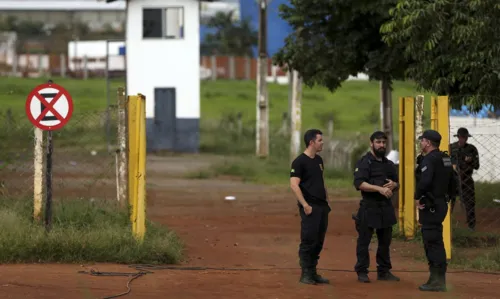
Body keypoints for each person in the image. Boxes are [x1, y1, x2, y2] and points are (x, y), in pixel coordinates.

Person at [352, 131, 400, 283]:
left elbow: (396, 183)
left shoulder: (389, 164)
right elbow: (359, 184)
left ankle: (384, 271)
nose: (381, 145)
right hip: (369, 207)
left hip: (385, 207)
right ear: (371, 143)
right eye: (378, 142)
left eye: (384, 143)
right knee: (364, 242)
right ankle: (362, 271)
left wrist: (395, 185)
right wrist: (379, 189)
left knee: (385, 242)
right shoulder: (365, 162)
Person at [415, 129, 457, 292]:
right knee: (436, 240)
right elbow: (454, 180)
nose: (421, 143)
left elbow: (424, 182)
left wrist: (417, 197)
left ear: (427, 143)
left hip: (430, 205)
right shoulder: (445, 158)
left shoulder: (429, 160)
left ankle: (437, 281)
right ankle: (437, 279)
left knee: (432, 242)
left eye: (422, 141)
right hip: (441, 203)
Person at [290, 129, 331, 285]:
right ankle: (305, 273)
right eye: (320, 140)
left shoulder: (319, 160)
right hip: (310, 207)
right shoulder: (299, 162)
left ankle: (313, 272)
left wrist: (327, 199)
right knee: (309, 240)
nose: (322, 143)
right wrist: (305, 205)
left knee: (319, 241)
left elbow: (321, 181)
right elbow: (294, 185)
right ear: (311, 142)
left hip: (322, 206)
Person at [449, 127, 480, 230]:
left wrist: (469, 161)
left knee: (470, 203)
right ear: (458, 137)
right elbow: (444, 160)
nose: (463, 139)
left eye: (465, 137)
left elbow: (476, 165)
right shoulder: (451, 147)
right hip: (452, 179)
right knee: (448, 202)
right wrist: (452, 165)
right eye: (461, 137)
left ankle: (471, 226)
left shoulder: (471, 149)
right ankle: (446, 224)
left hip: (466, 179)